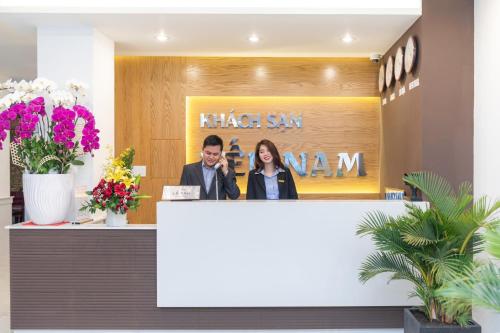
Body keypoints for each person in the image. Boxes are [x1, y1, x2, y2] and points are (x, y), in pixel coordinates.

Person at [180, 135, 240, 200]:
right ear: (202, 150)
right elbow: (182, 197)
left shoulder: (227, 172)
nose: (211, 157)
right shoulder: (189, 170)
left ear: (221, 154)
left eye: (215, 154)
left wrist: (225, 172)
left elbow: (234, 195)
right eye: (208, 153)